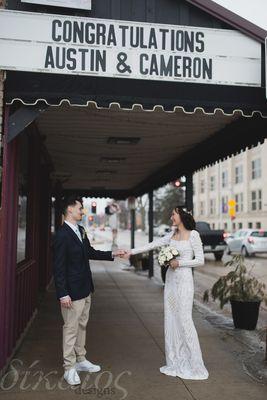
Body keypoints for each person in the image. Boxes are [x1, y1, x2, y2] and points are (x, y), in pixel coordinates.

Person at [124, 207, 209, 380]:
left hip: (184, 281)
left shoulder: (193, 235)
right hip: (170, 282)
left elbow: (200, 260)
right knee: (171, 318)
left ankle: (195, 364)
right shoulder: (171, 235)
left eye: (173, 214)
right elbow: (152, 245)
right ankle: (175, 360)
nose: (171, 217)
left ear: (182, 216)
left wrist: (180, 263)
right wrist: (130, 252)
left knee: (185, 319)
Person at [53, 196, 125, 385]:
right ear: (69, 210)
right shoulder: (61, 235)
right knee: (70, 329)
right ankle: (69, 368)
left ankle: (81, 360)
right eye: (79, 208)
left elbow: (90, 252)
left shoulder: (81, 230)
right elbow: (58, 267)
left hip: (85, 288)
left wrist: (112, 254)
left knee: (82, 325)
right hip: (71, 292)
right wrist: (62, 293)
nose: (82, 211)